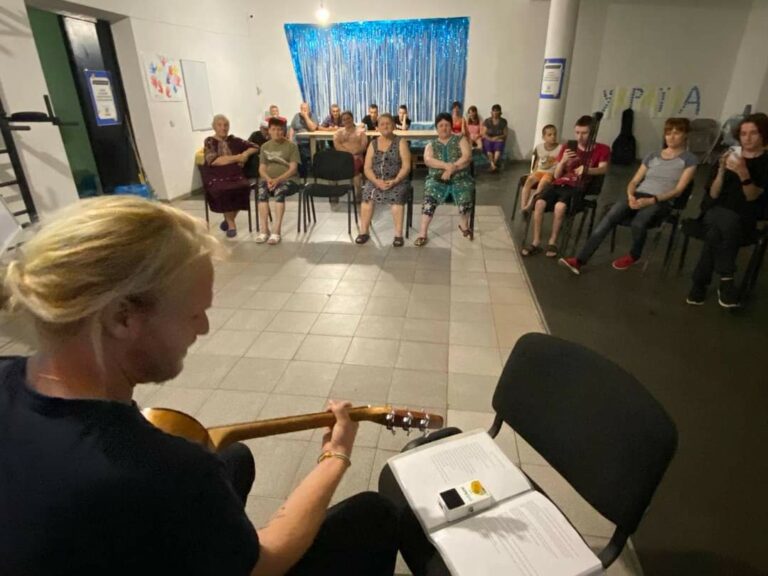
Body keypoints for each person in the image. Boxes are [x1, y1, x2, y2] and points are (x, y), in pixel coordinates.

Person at [0, 195, 400, 576]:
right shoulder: (163, 469)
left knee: (234, 456)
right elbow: (264, 562)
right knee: (372, 514)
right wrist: (336, 455)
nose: (204, 328)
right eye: (194, 314)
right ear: (122, 318)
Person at [559, 117, 697, 275]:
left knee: (640, 221)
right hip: (639, 194)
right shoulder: (652, 156)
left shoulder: (689, 159)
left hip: (662, 200)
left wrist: (652, 200)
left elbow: (679, 190)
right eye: (668, 133)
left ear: (685, 135)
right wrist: (631, 195)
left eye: (676, 133)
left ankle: (634, 254)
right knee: (610, 216)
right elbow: (634, 181)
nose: (671, 137)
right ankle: (580, 260)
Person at [686, 113, 768, 308]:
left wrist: (742, 172)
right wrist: (722, 170)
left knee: (716, 231)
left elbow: (752, 196)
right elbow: (713, 194)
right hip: (716, 211)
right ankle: (727, 278)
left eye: (753, 133)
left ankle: (700, 281)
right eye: (743, 133)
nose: (747, 138)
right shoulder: (728, 156)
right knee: (722, 217)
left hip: (745, 218)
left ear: (763, 135)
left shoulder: (766, 163)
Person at [522, 115, 610, 258]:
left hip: (578, 186)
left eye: (584, 133)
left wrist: (587, 169)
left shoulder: (602, 149)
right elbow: (556, 176)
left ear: (592, 132)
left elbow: (603, 169)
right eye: (577, 133)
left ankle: (553, 241)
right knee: (538, 202)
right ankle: (536, 241)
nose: (580, 137)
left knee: (560, 206)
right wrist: (562, 162)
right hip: (560, 183)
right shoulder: (568, 147)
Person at [415, 112, 474, 246]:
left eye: (447, 125)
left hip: (460, 178)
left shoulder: (461, 139)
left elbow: (467, 156)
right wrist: (446, 166)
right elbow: (428, 160)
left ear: (451, 126)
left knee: (465, 193)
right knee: (429, 197)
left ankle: (464, 225)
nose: (444, 128)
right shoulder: (431, 144)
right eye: (441, 125)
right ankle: (422, 233)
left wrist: (453, 168)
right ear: (436, 128)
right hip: (437, 179)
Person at [357, 113, 411, 247]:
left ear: (393, 125)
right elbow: (367, 168)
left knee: (396, 199)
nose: (385, 126)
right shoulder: (373, 144)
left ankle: (398, 235)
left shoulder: (401, 142)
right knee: (367, 196)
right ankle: (364, 231)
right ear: (377, 128)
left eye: (388, 123)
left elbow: (406, 166)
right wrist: (376, 181)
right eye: (382, 124)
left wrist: (396, 180)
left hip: (397, 180)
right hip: (376, 181)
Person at [203, 114, 259, 238]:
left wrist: (245, 153)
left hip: (235, 175)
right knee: (225, 189)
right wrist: (237, 158)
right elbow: (214, 160)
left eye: (226, 125)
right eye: (220, 125)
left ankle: (228, 220)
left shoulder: (234, 140)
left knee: (244, 187)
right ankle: (232, 224)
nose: (223, 128)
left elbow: (255, 147)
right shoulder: (209, 141)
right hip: (216, 175)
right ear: (214, 127)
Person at [257, 117, 300, 245]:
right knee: (261, 191)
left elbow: (293, 169)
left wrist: (278, 180)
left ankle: (276, 230)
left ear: (284, 131)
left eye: (280, 130)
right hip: (270, 180)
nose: (277, 132)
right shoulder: (265, 146)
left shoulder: (291, 146)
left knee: (279, 191)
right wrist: (269, 179)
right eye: (274, 129)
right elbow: (262, 168)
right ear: (269, 131)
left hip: (288, 180)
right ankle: (264, 230)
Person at [520, 124, 563, 213]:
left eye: (554, 134)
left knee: (542, 185)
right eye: (549, 135)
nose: (553, 137)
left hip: (550, 173)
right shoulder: (539, 147)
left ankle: (530, 205)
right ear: (543, 137)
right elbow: (537, 161)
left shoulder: (560, 148)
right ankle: (523, 206)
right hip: (540, 171)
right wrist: (533, 172)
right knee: (529, 181)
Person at [333, 110, 368, 198]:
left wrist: (354, 153)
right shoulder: (339, 133)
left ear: (352, 119)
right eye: (344, 119)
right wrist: (349, 153)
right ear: (342, 121)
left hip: (357, 158)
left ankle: (358, 195)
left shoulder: (361, 132)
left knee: (354, 169)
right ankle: (333, 195)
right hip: (343, 158)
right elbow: (337, 146)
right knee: (331, 167)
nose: (347, 121)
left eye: (348, 118)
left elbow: (363, 147)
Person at [289, 102, 318, 178]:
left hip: (309, 141)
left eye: (305, 109)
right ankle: (302, 176)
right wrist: (290, 139)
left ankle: (305, 176)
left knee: (303, 153)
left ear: (309, 110)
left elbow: (313, 128)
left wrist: (306, 117)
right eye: (302, 109)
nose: (303, 111)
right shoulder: (296, 116)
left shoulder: (313, 116)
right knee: (299, 151)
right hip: (297, 141)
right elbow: (292, 128)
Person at [481, 104, 508, 172]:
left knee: (499, 144)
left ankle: (493, 165)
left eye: (497, 111)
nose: (495, 112)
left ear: (500, 112)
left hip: (498, 138)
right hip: (488, 138)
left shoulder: (503, 121)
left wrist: (496, 137)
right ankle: (493, 165)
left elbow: (505, 134)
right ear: (491, 112)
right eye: (494, 111)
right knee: (487, 144)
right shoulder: (487, 121)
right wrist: (490, 138)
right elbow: (483, 133)